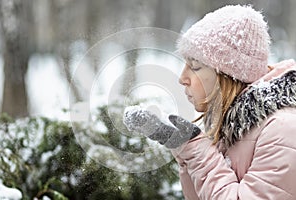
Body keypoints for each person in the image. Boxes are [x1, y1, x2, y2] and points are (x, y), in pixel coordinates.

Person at [123, 4, 296, 200]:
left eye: (195, 67)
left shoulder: (283, 130)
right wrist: (182, 146)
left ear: (230, 75)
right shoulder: (233, 125)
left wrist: (197, 150)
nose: (182, 77)